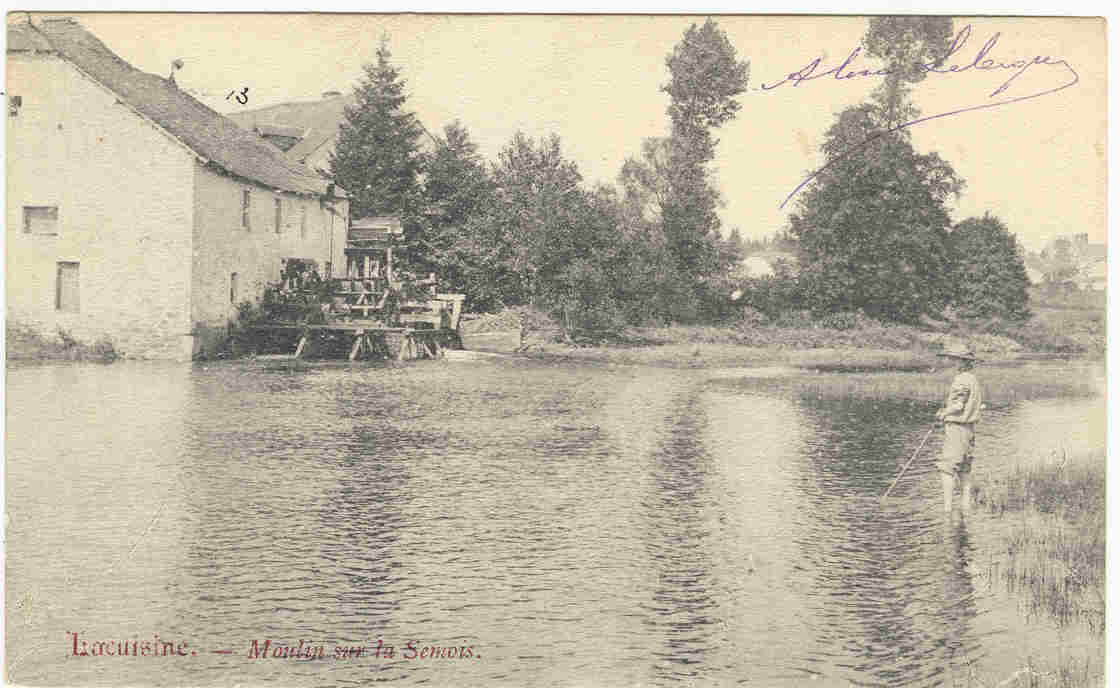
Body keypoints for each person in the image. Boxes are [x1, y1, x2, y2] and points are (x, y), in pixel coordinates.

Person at [935, 342, 982, 513]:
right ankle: (965, 507)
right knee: (964, 468)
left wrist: (943, 413)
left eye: (952, 358)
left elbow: (958, 405)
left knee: (946, 468)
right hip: (969, 429)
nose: (949, 361)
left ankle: (947, 510)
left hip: (957, 428)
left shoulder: (961, 379)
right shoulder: (972, 378)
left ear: (961, 361)